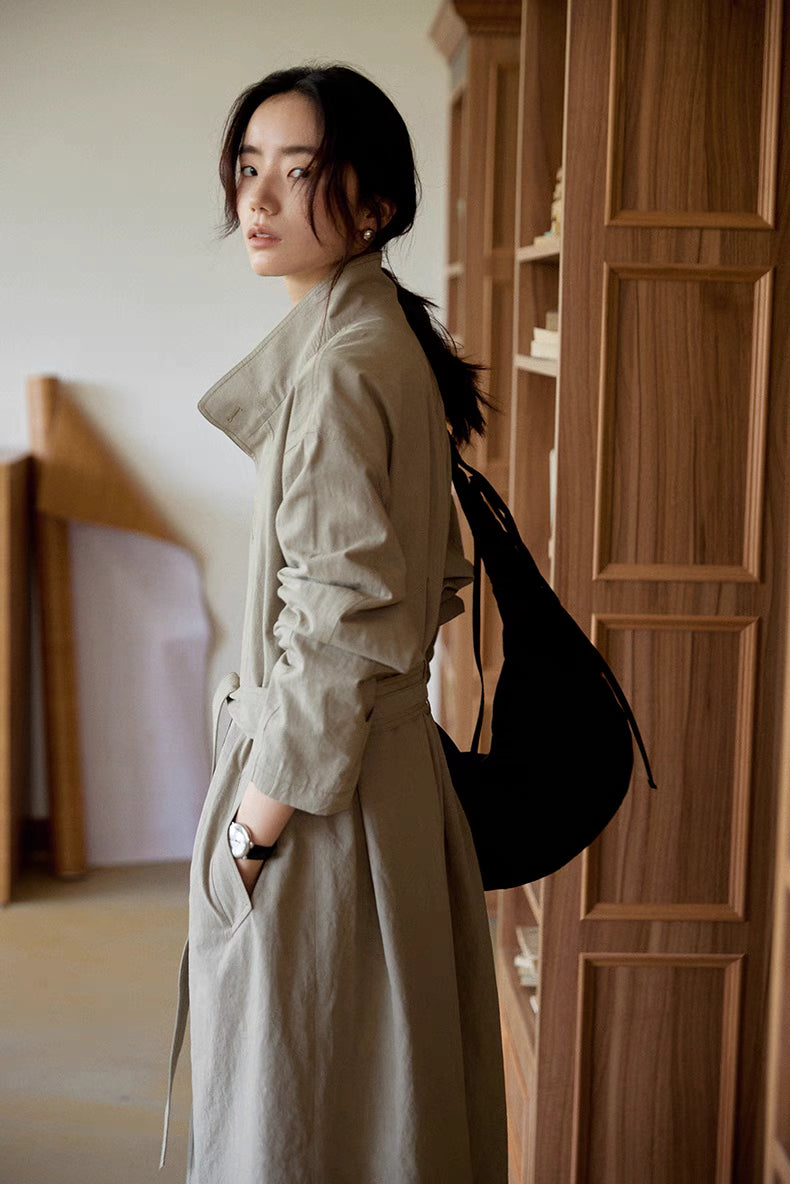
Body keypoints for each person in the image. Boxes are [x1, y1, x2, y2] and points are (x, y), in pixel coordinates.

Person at [161, 63, 507, 1183]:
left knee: (298, 1116)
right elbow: (422, 581)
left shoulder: (341, 367)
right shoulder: (378, 346)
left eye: (296, 171)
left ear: (375, 204)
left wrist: (249, 834)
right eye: (247, 169)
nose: (255, 201)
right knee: (383, 1105)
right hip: (381, 781)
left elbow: (341, 625)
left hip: (323, 800)